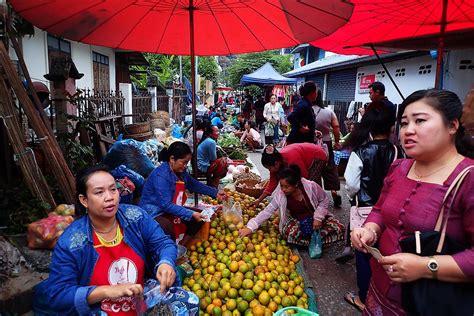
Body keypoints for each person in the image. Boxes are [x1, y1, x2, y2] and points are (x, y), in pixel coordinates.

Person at [350, 89, 474, 314]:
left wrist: (426, 267)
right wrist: (369, 230)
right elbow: (379, 210)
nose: (408, 130)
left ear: (453, 126)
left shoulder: (468, 178)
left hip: (429, 302)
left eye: (420, 121)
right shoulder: (400, 168)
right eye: (404, 123)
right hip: (378, 291)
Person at [43, 165, 177, 315]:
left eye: (113, 189)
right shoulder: (72, 242)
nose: (109, 197)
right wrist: (105, 291)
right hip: (98, 310)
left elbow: (163, 243)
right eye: (99, 192)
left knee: (186, 301)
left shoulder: (136, 217)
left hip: (139, 301)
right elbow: (58, 296)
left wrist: (165, 262)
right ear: (84, 200)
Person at [338, 108, 400, 311]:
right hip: (390, 210)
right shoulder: (398, 152)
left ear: (370, 130)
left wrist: (351, 198)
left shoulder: (360, 152)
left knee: (364, 253)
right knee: (384, 251)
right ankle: (381, 294)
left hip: (364, 210)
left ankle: (364, 297)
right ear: (392, 129)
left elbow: (352, 184)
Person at [140, 141, 227, 244]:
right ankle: (170, 252)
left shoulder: (180, 172)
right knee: (167, 228)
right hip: (154, 212)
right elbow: (166, 205)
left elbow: (192, 184)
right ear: (172, 159)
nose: (186, 166)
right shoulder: (161, 176)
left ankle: (182, 246)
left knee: (200, 219)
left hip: (170, 207)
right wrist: (191, 213)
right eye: (184, 162)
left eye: (187, 162)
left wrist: (215, 193)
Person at [239, 165, 328, 246]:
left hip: (315, 218)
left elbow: (324, 200)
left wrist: (318, 218)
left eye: (287, 186)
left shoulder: (311, 186)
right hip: (298, 221)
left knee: (337, 227)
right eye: (281, 186)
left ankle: (312, 240)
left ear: (296, 184)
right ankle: (314, 241)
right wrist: (250, 227)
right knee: (288, 233)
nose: (283, 189)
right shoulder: (280, 195)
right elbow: (267, 211)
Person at [253, 143, 327, 206]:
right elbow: (271, 185)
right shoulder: (276, 165)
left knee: (310, 184)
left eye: (269, 168)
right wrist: (259, 200)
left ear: (276, 164)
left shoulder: (292, 159)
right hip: (304, 155)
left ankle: (316, 204)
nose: (269, 170)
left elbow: (303, 177)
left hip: (317, 155)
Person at [312, 87, 342, 207]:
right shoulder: (328, 111)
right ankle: (334, 192)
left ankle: (316, 196)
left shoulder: (307, 110)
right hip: (326, 143)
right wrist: (337, 141)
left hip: (312, 144)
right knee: (329, 167)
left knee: (314, 169)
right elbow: (336, 126)